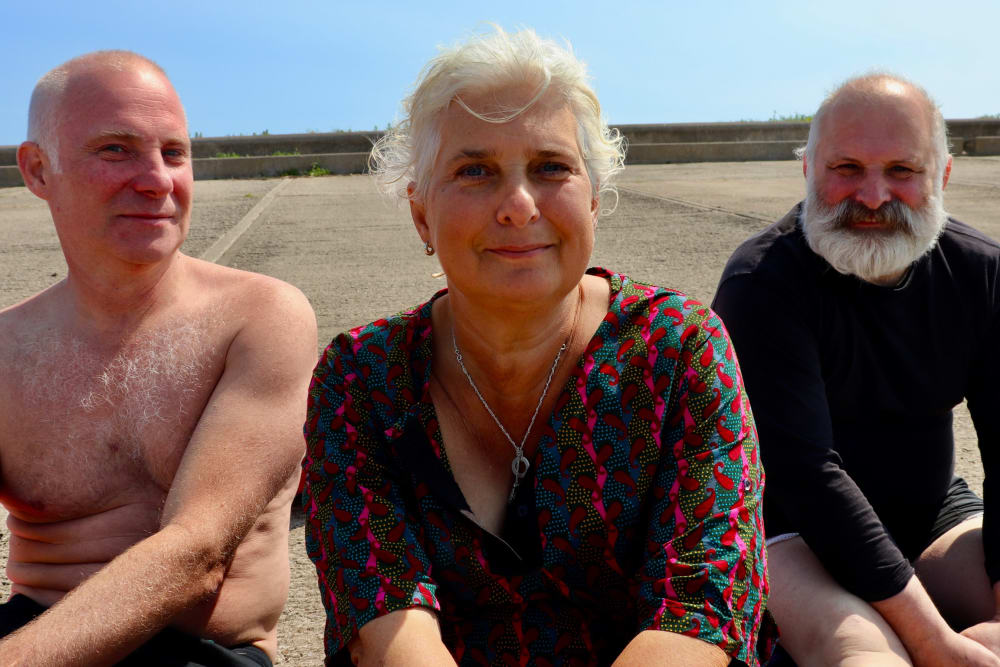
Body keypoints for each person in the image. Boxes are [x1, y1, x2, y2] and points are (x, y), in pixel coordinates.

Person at [302, 27, 767, 667]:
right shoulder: (361, 378)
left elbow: (696, 612)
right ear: (420, 215)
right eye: (475, 171)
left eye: (551, 167)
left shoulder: (680, 349)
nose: (519, 206)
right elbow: (388, 627)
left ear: (595, 199)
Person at [0, 51, 317, 666]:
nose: (157, 179)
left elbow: (196, 554)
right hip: (38, 626)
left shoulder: (261, 317)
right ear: (39, 171)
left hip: (204, 651)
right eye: (116, 150)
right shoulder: (8, 350)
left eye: (174, 153)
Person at [712, 74, 1000, 666]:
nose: (873, 196)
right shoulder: (761, 284)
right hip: (788, 528)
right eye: (846, 168)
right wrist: (935, 642)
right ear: (808, 169)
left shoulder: (981, 274)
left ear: (941, 176)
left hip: (930, 513)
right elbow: (806, 477)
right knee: (864, 655)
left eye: (902, 170)